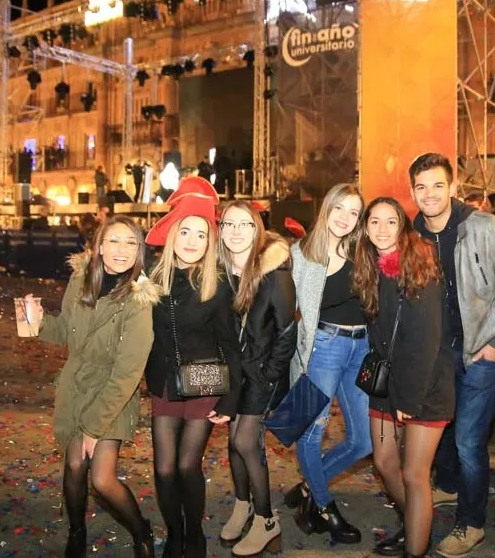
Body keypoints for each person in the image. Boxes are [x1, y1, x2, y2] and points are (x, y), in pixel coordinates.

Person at [408, 153, 495, 558]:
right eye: (421, 187)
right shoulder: (411, 235)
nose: (430, 194)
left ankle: (472, 523)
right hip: (437, 357)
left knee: (468, 440)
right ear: (413, 191)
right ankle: (449, 486)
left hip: (482, 353)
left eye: (438, 185)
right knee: (445, 430)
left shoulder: (486, 227)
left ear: (452, 187)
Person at [31, 215, 161, 558]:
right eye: (114, 240)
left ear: (139, 251)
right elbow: (66, 331)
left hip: (113, 393)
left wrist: (93, 427)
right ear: (99, 246)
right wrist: (37, 322)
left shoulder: (139, 300)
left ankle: (141, 531)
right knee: (75, 464)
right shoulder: (80, 280)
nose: (122, 249)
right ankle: (77, 532)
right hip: (76, 386)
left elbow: (128, 373)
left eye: (131, 243)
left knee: (102, 480)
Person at [144, 177, 242, 558]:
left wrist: (231, 400)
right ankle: (175, 533)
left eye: (201, 234)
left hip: (204, 382)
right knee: (164, 470)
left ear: (209, 242)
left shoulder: (217, 284)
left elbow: (230, 345)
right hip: (164, 383)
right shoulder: (151, 279)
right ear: (173, 233)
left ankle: (194, 535)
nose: (192, 241)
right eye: (185, 231)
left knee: (187, 466)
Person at [353, 197, 453, 558]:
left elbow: (426, 342)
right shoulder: (370, 267)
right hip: (386, 383)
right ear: (365, 229)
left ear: (403, 227)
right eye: (374, 222)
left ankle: (416, 548)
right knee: (384, 462)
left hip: (424, 386)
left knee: (414, 473)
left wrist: (409, 399)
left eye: (391, 222)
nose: (382, 229)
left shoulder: (418, 266)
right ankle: (415, 523)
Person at [284, 183, 371, 544]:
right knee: (312, 432)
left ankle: (309, 485)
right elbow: (283, 309)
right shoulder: (301, 254)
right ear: (326, 208)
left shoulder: (363, 250)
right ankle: (322, 506)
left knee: (364, 441)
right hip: (322, 348)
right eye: (340, 208)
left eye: (354, 212)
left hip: (362, 347)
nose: (345, 218)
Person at [217, 200, 297, 556]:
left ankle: (266, 519)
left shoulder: (274, 272)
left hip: (263, 373)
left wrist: (269, 374)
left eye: (244, 224)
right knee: (232, 441)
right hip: (235, 373)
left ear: (257, 229)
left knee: (245, 441)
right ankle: (242, 504)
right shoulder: (220, 271)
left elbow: (287, 332)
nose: (236, 231)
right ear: (220, 230)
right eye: (229, 224)